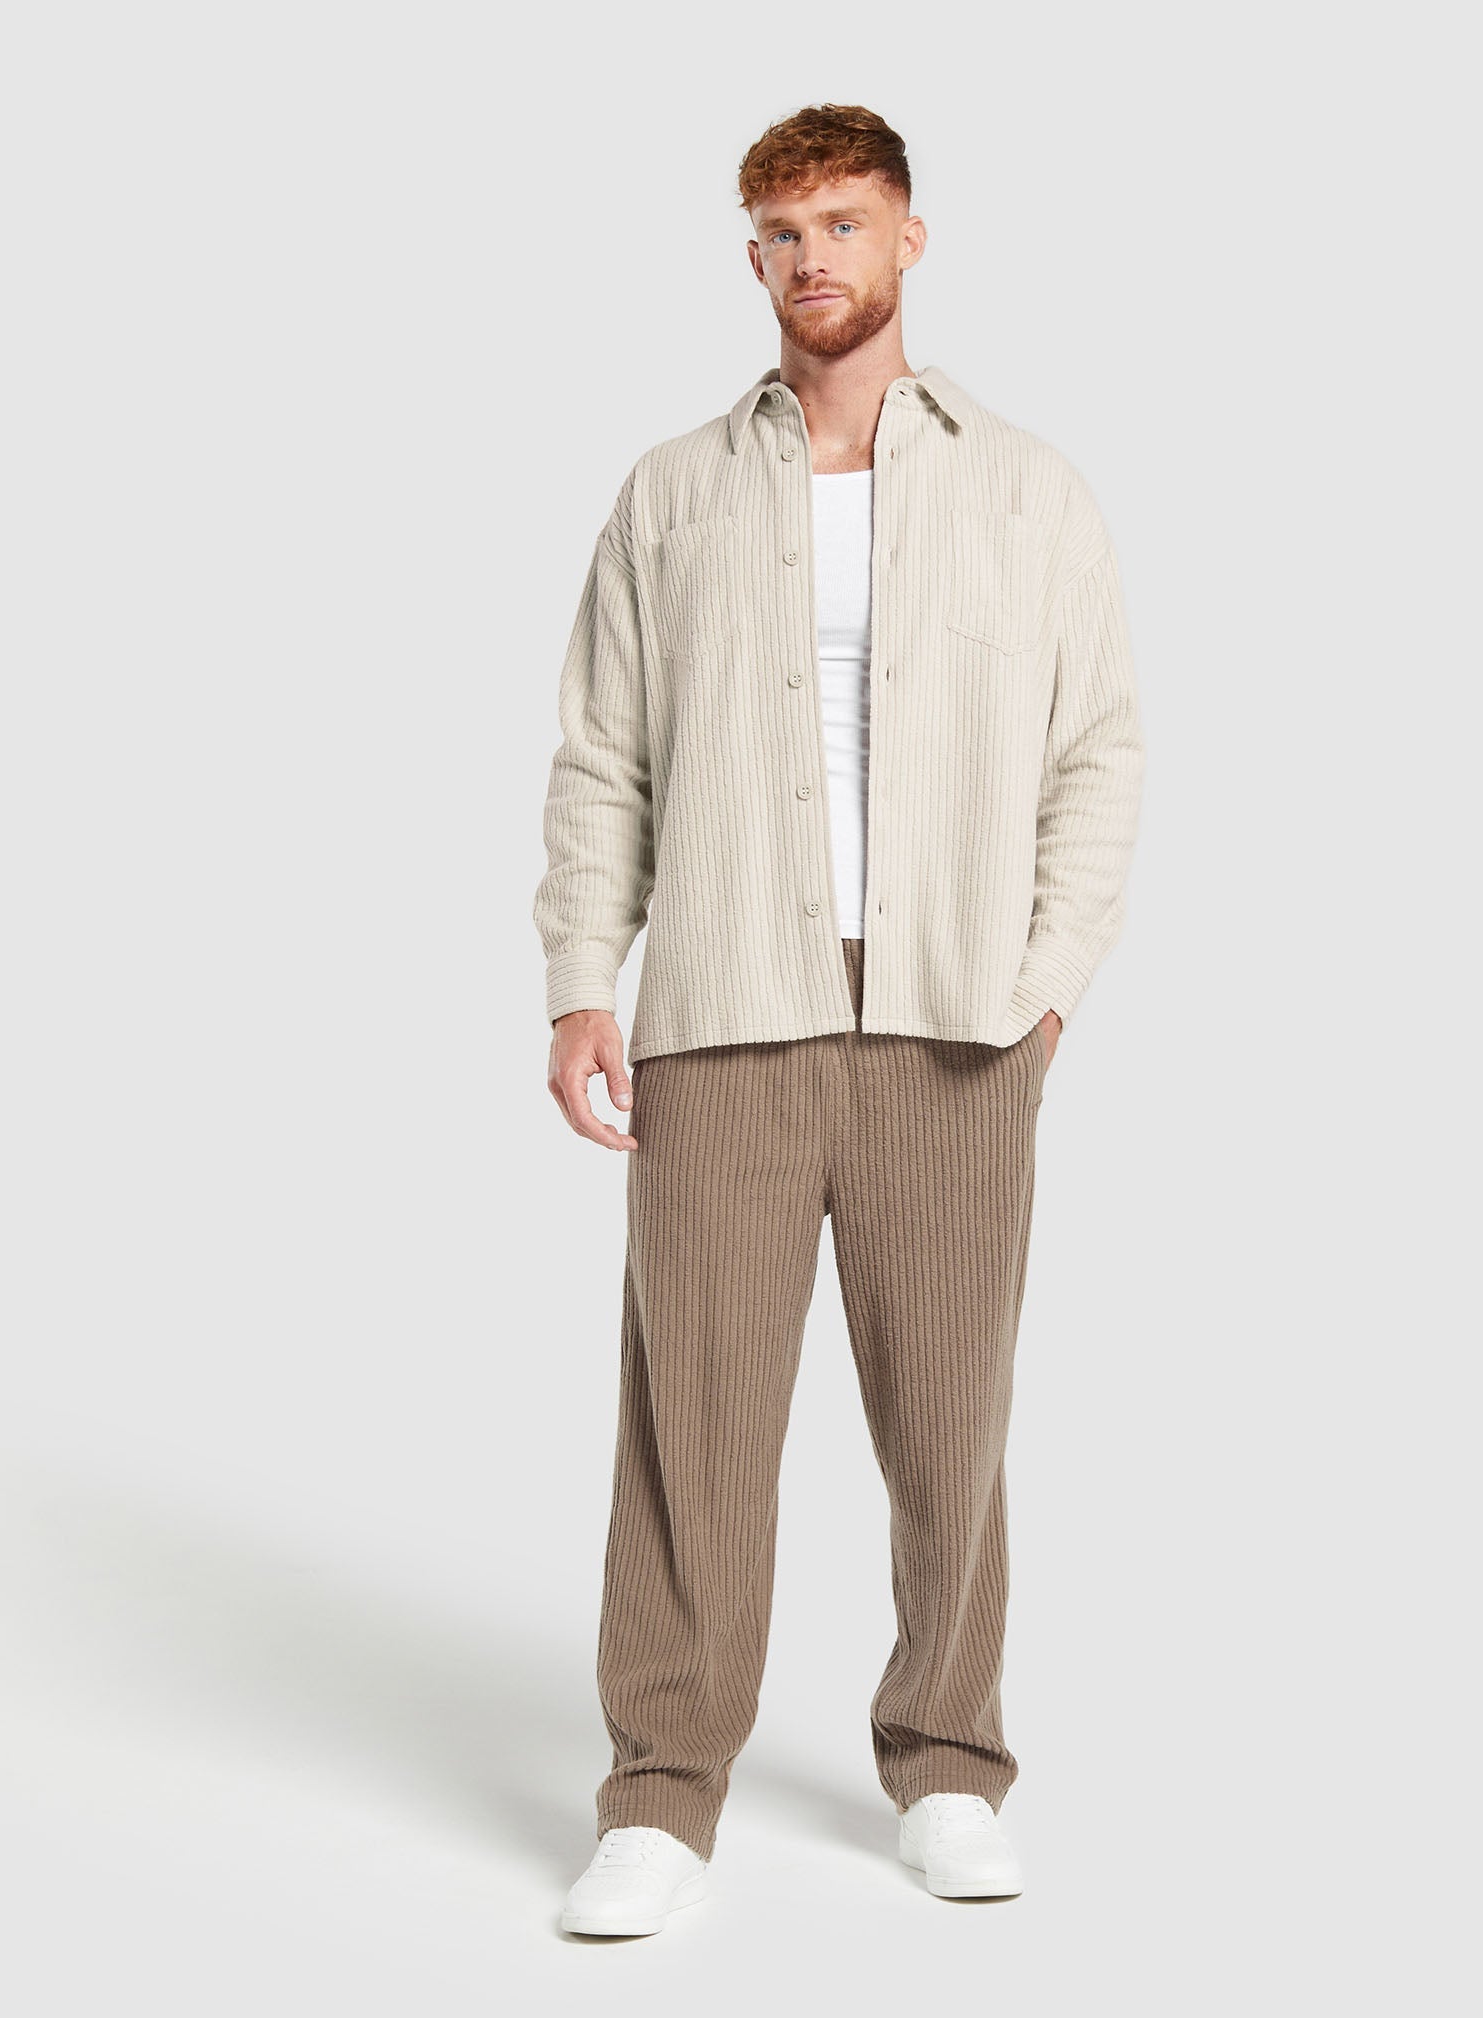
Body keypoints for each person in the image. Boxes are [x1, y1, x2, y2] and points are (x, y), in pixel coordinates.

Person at [537, 102, 1145, 1938]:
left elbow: (1097, 753)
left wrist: (1046, 987)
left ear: (909, 239)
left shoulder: (1028, 489)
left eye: (845, 223)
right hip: (725, 1013)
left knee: (951, 1423)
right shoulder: (671, 492)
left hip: (956, 1025)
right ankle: (662, 1790)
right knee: (692, 1424)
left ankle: (949, 1760)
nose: (816, 258)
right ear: (753, 259)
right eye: (784, 232)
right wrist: (584, 978)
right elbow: (604, 756)